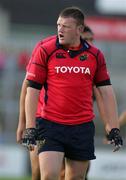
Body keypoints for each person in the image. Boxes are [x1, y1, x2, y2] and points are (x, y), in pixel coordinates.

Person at [21, 6, 123, 180]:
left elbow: (105, 91)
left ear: (79, 30)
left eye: (65, 26)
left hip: (81, 128)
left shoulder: (95, 56)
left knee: (75, 177)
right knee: (48, 175)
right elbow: (32, 89)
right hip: (49, 125)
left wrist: (113, 127)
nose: (60, 29)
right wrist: (29, 127)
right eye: (58, 25)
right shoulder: (45, 49)